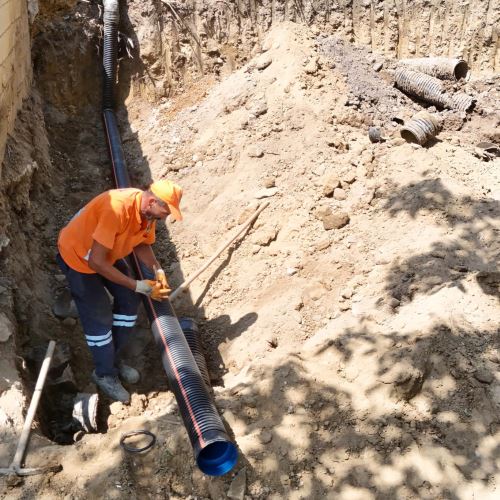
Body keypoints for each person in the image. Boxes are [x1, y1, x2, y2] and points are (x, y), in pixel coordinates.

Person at [56, 180, 183, 403]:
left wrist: (157, 270)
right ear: (152, 201)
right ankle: (104, 374)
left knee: (129, 302)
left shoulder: (147, 213)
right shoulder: (116, 209)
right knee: (99, 317)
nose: (165, 218)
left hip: (107, 253)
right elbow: (96, 262)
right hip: (80, 257)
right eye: (165, 212)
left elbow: (142, 244)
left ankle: (113, 358)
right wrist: (137, 284)